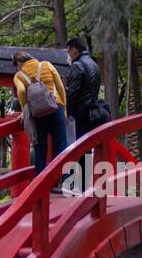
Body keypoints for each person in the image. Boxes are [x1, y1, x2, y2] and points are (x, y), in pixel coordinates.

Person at [12, 50, 69, 178]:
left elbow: (21, 90)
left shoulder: (19, 75)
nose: (17, 67)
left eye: (16, 65)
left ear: (20, 63)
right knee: (61, 145)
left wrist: (24, 108)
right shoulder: (46, 65)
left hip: (38, 113)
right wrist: (64, 108)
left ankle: (40, 183)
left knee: (40, 148)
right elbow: (60, 87)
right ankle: (66, 181)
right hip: (55, 107)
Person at [64, 37, 107, 141]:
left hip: (80, 114)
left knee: (78, 145)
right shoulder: (94, 64)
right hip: (93, 112)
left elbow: (71, 92)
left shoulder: (77, 65)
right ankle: (87, 159)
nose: (68, 55)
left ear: (74, 50)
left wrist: (66, 112)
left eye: (68, 51)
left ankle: (80, 158)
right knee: (87, 145)